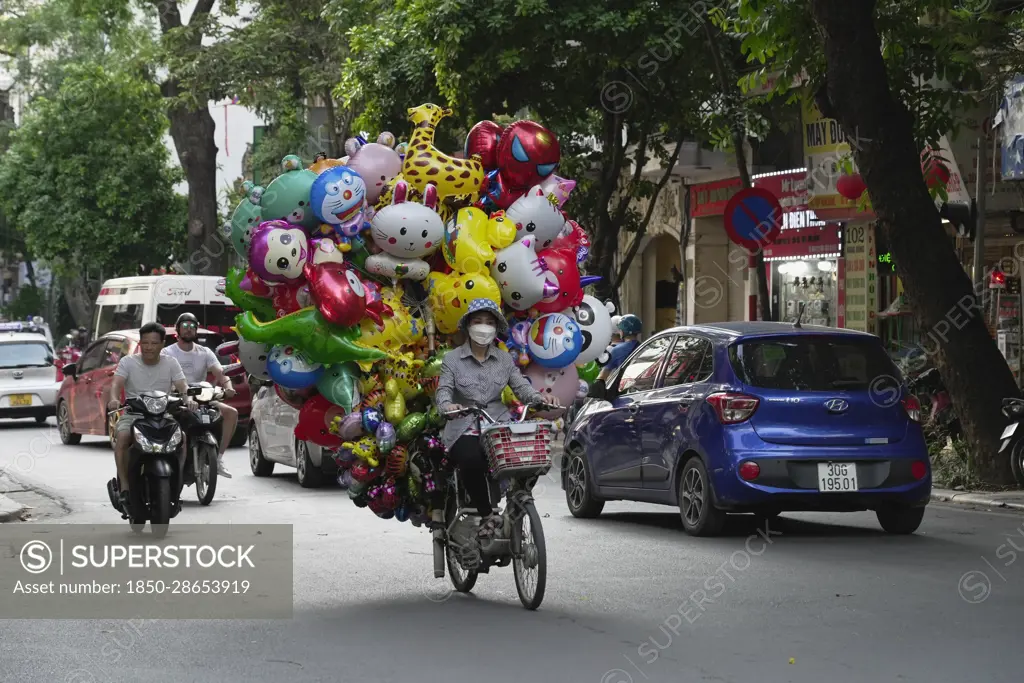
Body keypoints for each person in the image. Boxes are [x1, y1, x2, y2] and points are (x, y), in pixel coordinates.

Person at [434, 298, 559, 539]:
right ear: (468, 326)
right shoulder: (452, 359)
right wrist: (447, 405)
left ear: (496, 328)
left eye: (489, 322)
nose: (483, 327)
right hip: (463, 426)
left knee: (531, 457)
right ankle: (487, 516)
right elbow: (444, 390)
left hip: (497, 425)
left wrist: (539, 399)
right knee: (472, 459)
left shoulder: (503, 359)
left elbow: (521, 386)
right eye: (478, 321)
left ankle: (517, 506)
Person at [107, 322, 192, 512]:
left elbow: (182, 386)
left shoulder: (171, 362)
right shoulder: (128, 362)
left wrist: (189, 399)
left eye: (154, 343)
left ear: (162, 344)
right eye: (145, 343)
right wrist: (113, 399)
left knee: (183, 439)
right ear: (141, 343)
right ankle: (125, 487)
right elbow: (116, 385)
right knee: (121, 438)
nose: (149, 347)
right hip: (134, 415)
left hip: (163, 415)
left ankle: (176, 485)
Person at [161, 312, 238, 477]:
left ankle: (219, 458)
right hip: (177, 400)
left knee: (231, 413)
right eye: (185, 326)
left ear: (196, 330)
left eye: (192, 326)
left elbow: (220, 373)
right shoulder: (167, 352)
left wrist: (228, 387)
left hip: (202, 398)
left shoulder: (205, 352)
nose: (189, 330)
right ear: (178, 329)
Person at [597, 313, 643, 383]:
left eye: (620, 329)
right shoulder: (644, 347)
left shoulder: (616, 350)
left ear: (623, 331)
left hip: (622, 389)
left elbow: (603, 376)